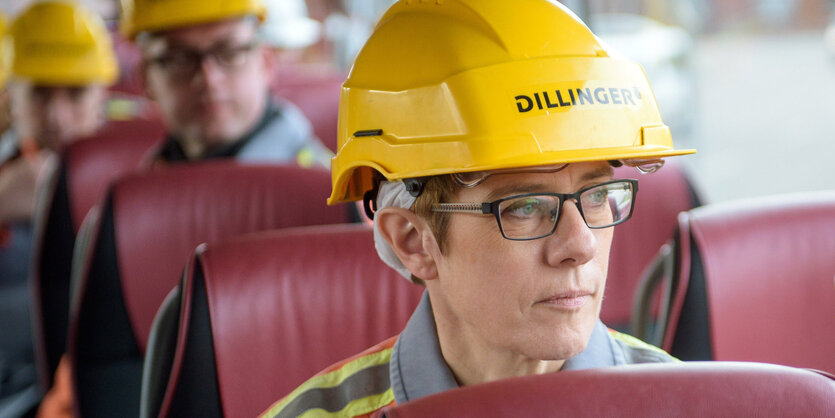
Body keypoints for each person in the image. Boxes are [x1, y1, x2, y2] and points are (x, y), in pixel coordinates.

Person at [262, 0, 696, 416]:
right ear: (415, 242)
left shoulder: (695, 406)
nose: (581, 245)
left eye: (597, 196)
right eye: (525, 207)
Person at [0, 2, 117, 417]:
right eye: (40, 93)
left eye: (76, 93)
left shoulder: (139, 172)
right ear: (11, 96)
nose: (57, 115)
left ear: (103, 95)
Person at [121, 0, 332, 166]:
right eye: (180, 59)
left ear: (266, 63)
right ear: (146, 79)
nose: (209, 79)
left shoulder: (332, 198)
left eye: (229, 52)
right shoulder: (128, 205)